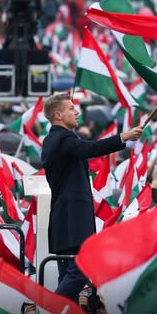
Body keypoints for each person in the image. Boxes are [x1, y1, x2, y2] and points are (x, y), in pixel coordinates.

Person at [41, 92, 143, 302]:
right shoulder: (62, 139)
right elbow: (91, 148)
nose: (77, 112)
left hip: (65, 220)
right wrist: (123, 137)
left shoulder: (57, 140)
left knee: (67, 276)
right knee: (79, 272)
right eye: (71, 108)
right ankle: (47, 312)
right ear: (58, 114)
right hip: (72, 220)